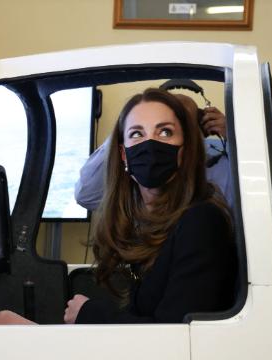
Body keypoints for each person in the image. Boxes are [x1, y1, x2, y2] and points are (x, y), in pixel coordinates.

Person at [64, 88, 237, 323]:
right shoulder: (152, 221)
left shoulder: (202, 221)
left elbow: (176, 337)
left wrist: (87, 313)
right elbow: (84, 193)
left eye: (165, 132)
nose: (151, 145)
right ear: (123, 155)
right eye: (137, 133)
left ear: (186, 150)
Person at [75, 89, 272, 211]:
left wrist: (237, 135)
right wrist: (128, 128)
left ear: (200, 128)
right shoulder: (142, 170)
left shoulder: (226, 166)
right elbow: (87, 196)